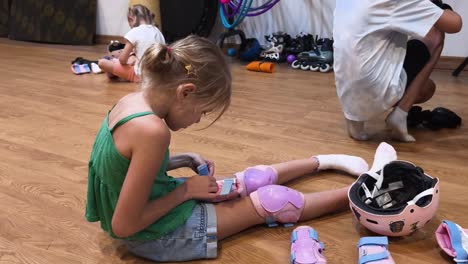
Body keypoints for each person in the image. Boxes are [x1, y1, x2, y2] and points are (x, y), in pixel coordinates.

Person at [85, 35, 371, 262]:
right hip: (152, 236)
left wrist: (182, 159)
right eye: (204, 112)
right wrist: (186, 191)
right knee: (274, 200)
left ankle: (321, 161)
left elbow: (124, 165)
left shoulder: (131, 103)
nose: (198, 120)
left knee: (251, 180)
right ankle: (364, 193)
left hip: (150, 206)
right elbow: (124, 226)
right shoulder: (153, 130)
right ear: (185, 92)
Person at [333, 0, 463, 142]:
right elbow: (455, 24)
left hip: (347, 90)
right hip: (374, 90)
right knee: (436, 33)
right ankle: (400, 115)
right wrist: (439, 6)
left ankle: (354, 122)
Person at [98, 4, 165, 82]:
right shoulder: (158, 32)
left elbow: (122, 60)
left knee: (102, 62)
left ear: (131, 19)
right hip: (159, 76)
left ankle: (115, 72)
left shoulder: (134, 32)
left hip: (141, 76)